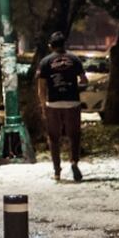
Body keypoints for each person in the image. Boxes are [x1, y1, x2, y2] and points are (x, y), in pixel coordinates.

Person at [36, 32, 88, 182]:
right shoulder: (74, 59)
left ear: (51, 46)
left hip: (53, 103)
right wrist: (76, 88)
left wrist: (43, 106)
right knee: (75, 135)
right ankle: (74, 162)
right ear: (64, 44)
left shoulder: (45, 62)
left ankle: (57, 171)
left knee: (53, 138)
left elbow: (41, 88)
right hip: (72, 102)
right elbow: (84, 81)